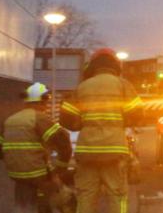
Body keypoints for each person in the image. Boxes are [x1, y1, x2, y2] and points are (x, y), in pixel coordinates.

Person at [60, 48, 144, 213]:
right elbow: (137, 113)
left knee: (86, 196)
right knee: (117, 195)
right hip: (114, 151)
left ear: (92, 66)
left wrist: (82, 124)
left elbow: (66, 119)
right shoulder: (123, 85)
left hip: (87, 152)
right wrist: (121, 122)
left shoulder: (82, 87)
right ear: (115, 65)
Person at [0, 83, 75, 213]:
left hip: (16, 174)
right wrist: (60, 168)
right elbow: (63, 142)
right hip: (38, 174)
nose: (46, 106)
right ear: (41, 101)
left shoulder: (10, 119)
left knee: (23, 205)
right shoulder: (39, 118)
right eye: (46, 102)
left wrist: (19, 160)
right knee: (60, 200)